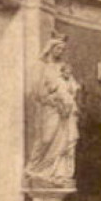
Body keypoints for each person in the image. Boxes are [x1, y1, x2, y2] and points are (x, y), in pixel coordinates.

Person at [25, 36, 83, 186]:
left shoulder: (64, 67)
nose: (61, 51)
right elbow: (37, 91)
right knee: (46, 138)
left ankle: (58, 172)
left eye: (63, 49)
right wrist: (53, 99)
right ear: (50, 48)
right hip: (50, 109)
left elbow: (73, 87)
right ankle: (34, 168)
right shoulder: (42, 67)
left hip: (66, 111)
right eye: (58, 48)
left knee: (64, 142)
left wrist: (71, 87)